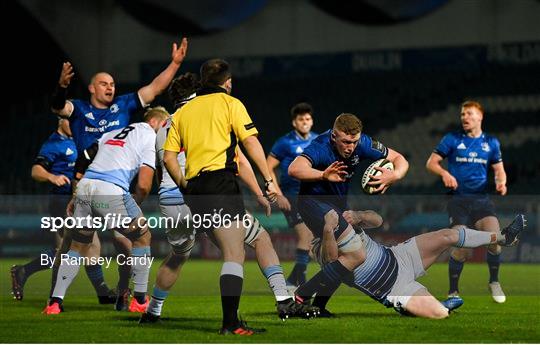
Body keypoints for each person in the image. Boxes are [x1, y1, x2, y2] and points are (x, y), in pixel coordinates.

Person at [139, 74, 315, 325]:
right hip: (205, 192)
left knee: (178, 255)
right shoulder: (209, 114)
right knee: (255, 240)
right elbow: (239, 159)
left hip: (171, 198)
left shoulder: (165, 125)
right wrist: (259, 192)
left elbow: (162, 167)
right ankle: (281, 302)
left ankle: (152, 312)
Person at [50, 37, 188, 308]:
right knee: (133, 236)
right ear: (91, 88)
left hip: (90, 182)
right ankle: (138, 297)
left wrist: (174, 64)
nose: (110, 87)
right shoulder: (80, 109)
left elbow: (155, 87)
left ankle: (64, 299)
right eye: (104, 83)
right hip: (109, 186)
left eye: (113, 83)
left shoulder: (122, 110)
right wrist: (61, 87)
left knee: (102, 242)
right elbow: (58, 106)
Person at [163, 59, 277, 335]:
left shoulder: (182, 113)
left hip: (195, 190)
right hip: (220, 184)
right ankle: (230, 324)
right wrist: (268, 179)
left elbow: (168, 157)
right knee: (234, 254)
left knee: (234, 249)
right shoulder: (231, 104)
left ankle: (232, 320)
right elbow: (249, 142)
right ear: (227, 82)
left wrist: (184, 184)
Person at [43, 107, 169, 314]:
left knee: (77, 246)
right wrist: (132, 204)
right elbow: (144, 185)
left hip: (86, 186)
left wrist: (76, 193)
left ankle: (54, 303)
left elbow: (84, 156)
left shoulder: (112, 133)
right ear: (157, 123)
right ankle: (139, 300)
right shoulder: (148, 136)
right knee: (142, 235)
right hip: (111, 189)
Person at [310, 209, 526, 319]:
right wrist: (328, 229)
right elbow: (331, 265)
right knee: (439, 314)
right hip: (392, 288)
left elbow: (377, 221)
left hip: (399, 256)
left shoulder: (342, 219)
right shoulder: (318, 244)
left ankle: (502, 237)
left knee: (447, 235)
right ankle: (426, 307)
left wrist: (358, 215)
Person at [288, 113, 409, 307]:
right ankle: (302, 294)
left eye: (354, 142)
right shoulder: (321, 146)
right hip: (313, 203)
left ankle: (318, 307)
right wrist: (323, 175)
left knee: (341, 263)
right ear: (334, 136)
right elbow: (294, 169)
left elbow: (399, 158)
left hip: (337, 205)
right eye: (345, 142)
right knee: (356, 255)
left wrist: (394, 176)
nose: (350, 147)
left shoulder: (364, 143)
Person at [10, 118, 115, 304]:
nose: (75, 124)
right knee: (66, 249)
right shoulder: (54, 144)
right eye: (71, 121)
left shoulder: (78, 139)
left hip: (80, 200)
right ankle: (51, 293)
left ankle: (101, 292)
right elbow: (36, 170)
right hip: (62, 201)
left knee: (91, 245)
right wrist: (52, 176)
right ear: (60, 121)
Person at [426, 100, 509, 303]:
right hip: (458, 201)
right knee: (462, 248)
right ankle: (453, 291)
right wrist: (444, 173)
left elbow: (499, 171)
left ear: (480, 117)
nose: (465, 117)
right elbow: (431, 163)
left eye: (469, 114)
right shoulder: (452, 139)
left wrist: (501, 183)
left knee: (496, 241)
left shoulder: (491, 142)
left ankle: (494, 282)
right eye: (463, 114)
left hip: (482, 201)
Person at [267, 102, 317, 289]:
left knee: (314, 241)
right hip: (292, 196)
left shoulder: (318, 139)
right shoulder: (285, 142)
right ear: (294, 123)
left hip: (312, 196)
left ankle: (292, 280)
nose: (304, 122)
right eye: (300, 119)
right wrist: (278, 194)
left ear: (311, 121)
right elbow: (268, 167)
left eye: (307, 119)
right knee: (306, 235)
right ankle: (300, 280)